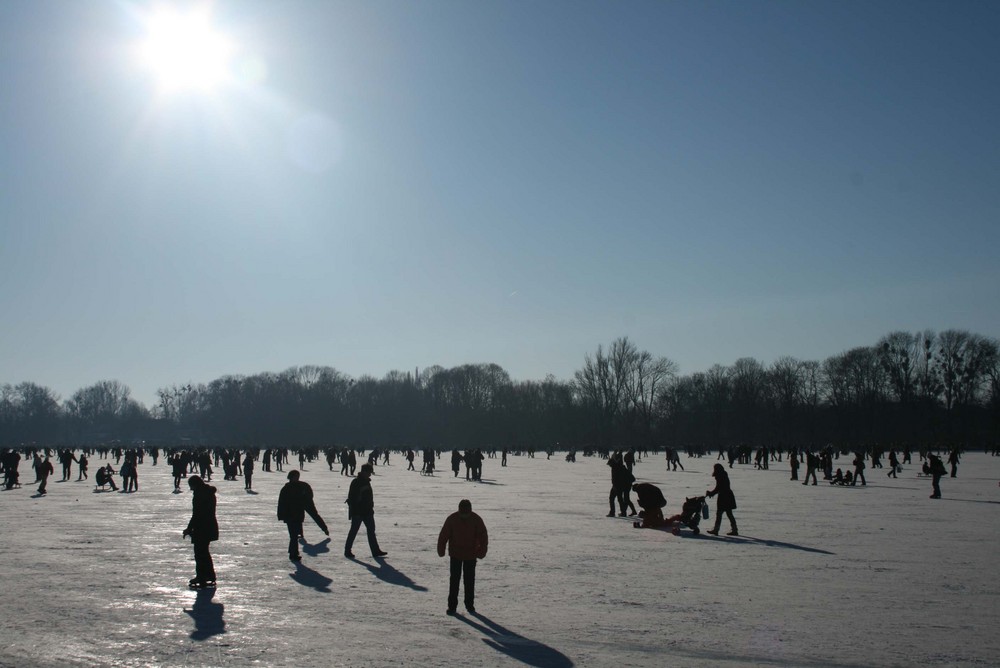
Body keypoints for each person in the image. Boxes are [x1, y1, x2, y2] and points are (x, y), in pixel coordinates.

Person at [437, 499, 488, 616]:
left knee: (469, 581)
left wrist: (481, 551)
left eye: (466, 514)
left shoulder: (476, 520)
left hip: (470, 555)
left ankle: (469, 605)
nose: (464, 516)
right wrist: (441, 549)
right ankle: (452, 606)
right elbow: (444, 535)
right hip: (456, 555)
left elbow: (483, 536)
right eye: (462, 514)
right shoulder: (452, 519)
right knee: (454, 581)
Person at [277, 470, 329, 561]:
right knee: (293, 536)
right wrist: (281, 515)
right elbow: (281, 503)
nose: (297, 478)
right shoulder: (286, 489)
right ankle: (293, 554)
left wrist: (323, 527)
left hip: (298, 515)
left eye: (298, 476)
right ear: (290, 477)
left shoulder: (303, 487)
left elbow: (313, 511)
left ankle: (292, 552)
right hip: (290, 515)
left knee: (294, 536)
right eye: (295, 476)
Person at [182, 475, 218, 588]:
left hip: (202, 527)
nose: (191, 489)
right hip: (209, 526)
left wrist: (189, 528)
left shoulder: (200, 494)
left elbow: (197, 514)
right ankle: (209, 575)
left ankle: (202, 576)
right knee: (204, 553)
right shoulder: (208, 493)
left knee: (200, 553)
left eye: (191, 486)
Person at [344, 464, 386, 559]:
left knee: (371, 531)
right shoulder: (356, 482)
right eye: (369, 472)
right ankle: (347, 550)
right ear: (364, 472)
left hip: (367, 511)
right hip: (358, 512)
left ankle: (375, 550)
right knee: (354, 531)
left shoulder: (366, 482)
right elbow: (352, 497)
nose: (370, 475)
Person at [706, 463, 738, 536]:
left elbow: (718, 487)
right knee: (729, 513)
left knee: (719, 513)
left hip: (723, 497)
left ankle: (716, 529)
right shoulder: (723, 474)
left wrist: (711, 493)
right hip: (728, 495)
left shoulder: (719, 476)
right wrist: (712, 493)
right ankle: (734, 529)